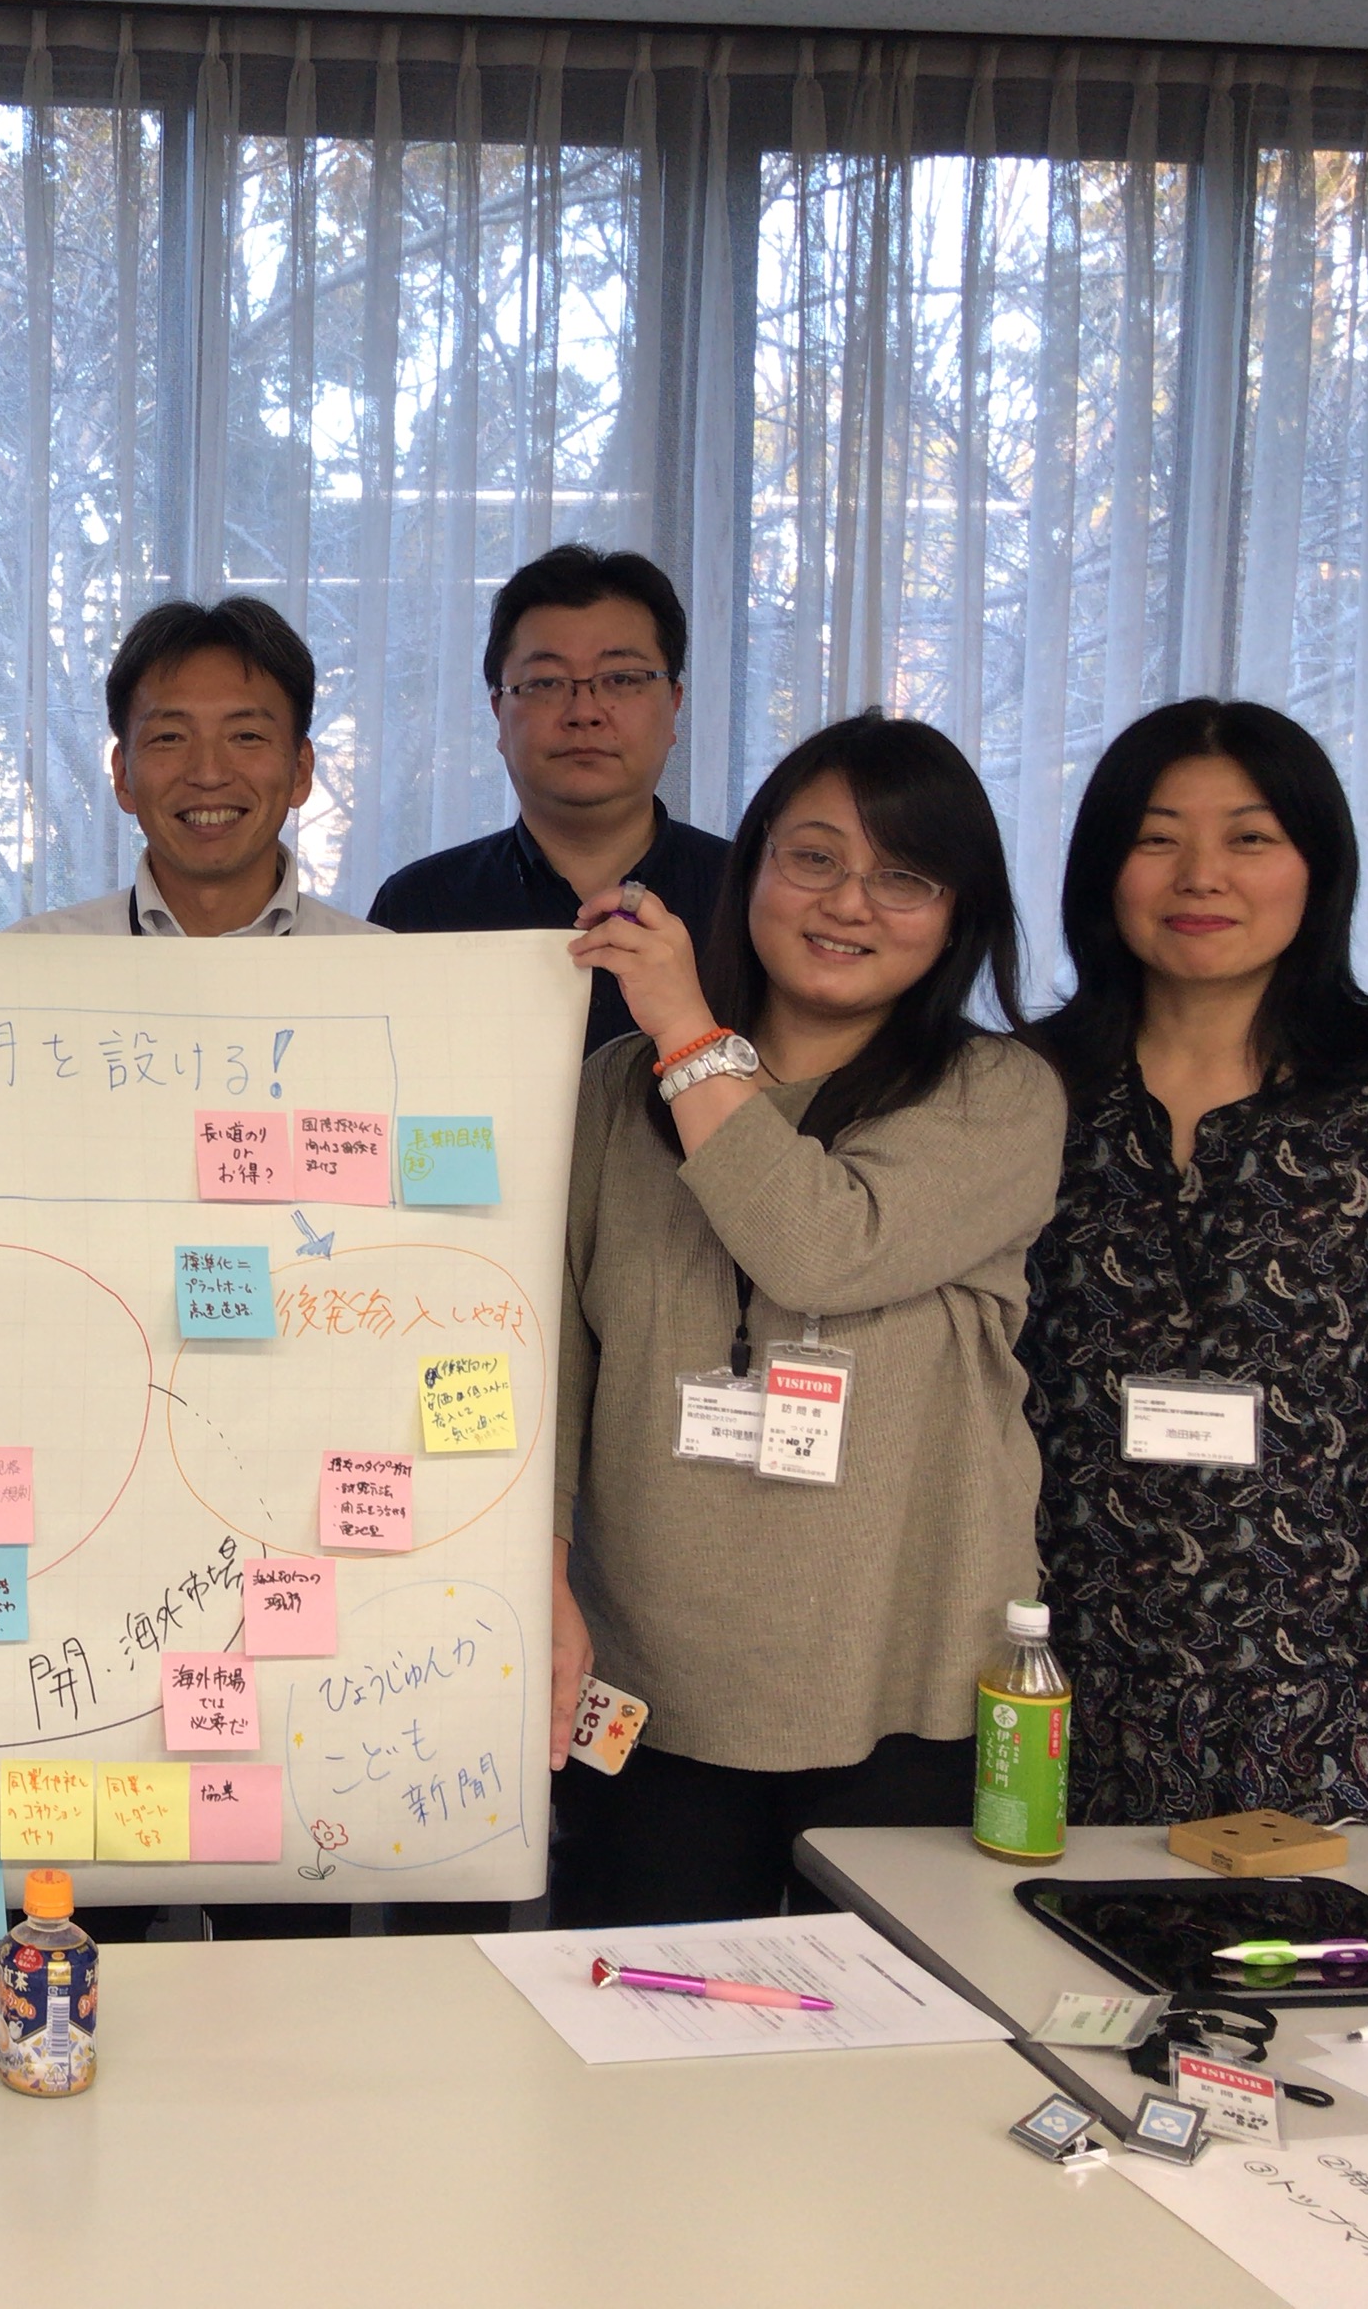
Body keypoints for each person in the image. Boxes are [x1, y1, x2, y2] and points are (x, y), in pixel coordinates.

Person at [550, 711, 1062, 1924]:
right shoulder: (615, 1094)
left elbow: (820, 1248)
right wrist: (542, 1577)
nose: (848, 903)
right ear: (755, 871)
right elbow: (555, 1359)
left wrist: (684, 1030)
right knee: (645, 2014)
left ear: (959, 915)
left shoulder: (996, 1094)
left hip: (901, 1681)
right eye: (815, 857)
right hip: (647, 1676)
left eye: (904, 877)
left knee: (897, 2030)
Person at [1025, 699, 1368, 1827]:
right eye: (1157, 837)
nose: (1201, 876)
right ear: (1103, 869)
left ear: (1318, 866)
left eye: (1251, 838)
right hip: (1044, 1685)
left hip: (1334, 1704)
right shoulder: (1019, 1093)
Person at [368, 543, 729, 1048]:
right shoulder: (420, 906)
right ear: (499, 713)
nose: (584, 712)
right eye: (545, 683)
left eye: (621, 679)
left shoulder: (750, 896)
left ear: (674, 706)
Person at [9, 597, 375, 938]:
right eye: (170, 737)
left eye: (246, 736)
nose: (208, 774)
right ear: (122, 776)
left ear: (301, 771)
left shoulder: (384, 968)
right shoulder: (29, 961)